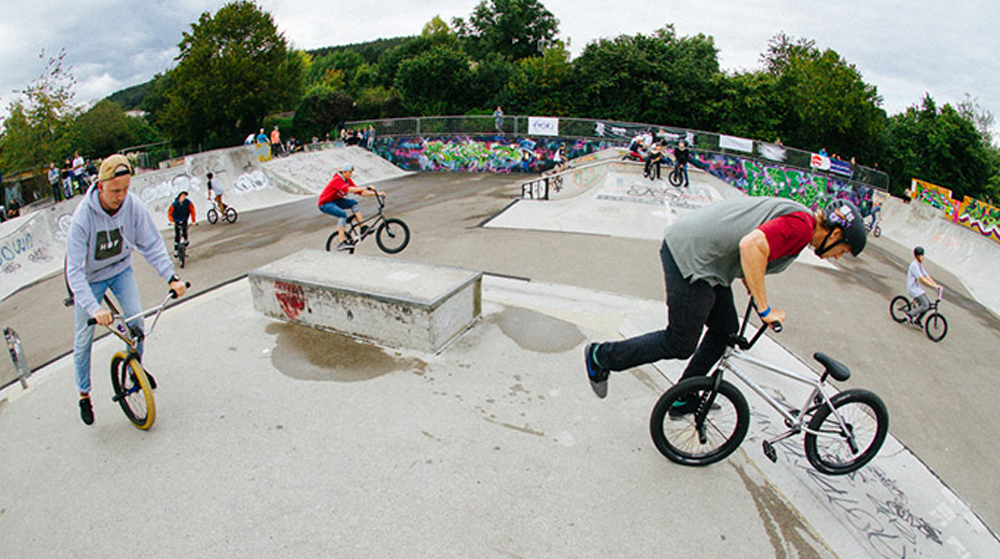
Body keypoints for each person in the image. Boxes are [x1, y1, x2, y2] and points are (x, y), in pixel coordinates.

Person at [583, 197, 868, 402]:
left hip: (710, 262)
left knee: (725, 330)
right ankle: (601, 357)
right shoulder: (802, 227)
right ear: (836, 233)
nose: (838, 256)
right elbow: (751, 246)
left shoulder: (801, 222)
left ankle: (683, 396)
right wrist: (764, 308)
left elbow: (754, 252)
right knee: (680, 342)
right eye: (843, 250)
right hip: (694, 256)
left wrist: (752, 283)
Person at [65, 154, 186, 425]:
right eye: (115, 191)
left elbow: (151, 243)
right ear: (100, 187)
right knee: (84, 339)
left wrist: (171, 277)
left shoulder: (132, 206)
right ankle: (84, 394)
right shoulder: (83, 219)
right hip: (90, 278)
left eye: (125, 189)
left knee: (137, 325)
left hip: (120, 271)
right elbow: (73, 271)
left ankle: (136, 371)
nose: (120, 197)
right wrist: (94, 308)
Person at [318, 165, 384, 251]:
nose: (351, 174)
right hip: (325, 203)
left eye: (351, 172)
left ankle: (362, 228)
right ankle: (341, 242)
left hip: (336, 200)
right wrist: (366, 187)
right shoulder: (336, 180)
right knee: (342, 214)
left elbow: (360, 192)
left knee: (354, 203)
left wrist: (377, 194)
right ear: (344, 172)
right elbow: (349, 190)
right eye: (349, 172)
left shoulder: (347, 180)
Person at [905, 246, 941, 327]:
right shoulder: (914, 266)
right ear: (917, 256)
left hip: (917, 288)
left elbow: (926, 275)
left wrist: (935, 284)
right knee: (925, 305)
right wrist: (932, 286)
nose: (923, 257)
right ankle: (909, 314)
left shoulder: (919, 265)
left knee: (927, 305)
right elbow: (922, 279)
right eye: (922, 255)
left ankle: (917, 320)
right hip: (912, 289)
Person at [167, 191, 196, 256]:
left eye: (185, 196)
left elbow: (192, 210)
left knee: (185, 231)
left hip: (184, 219)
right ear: (179, 196)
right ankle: (176, 250)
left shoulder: (188, 202)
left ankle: (185, 240)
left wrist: (193, 221)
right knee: (177, 235)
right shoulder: (174, 204)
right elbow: (169, 213)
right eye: (182, 196)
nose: (184, 197)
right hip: (176, 220)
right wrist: (172, 221)